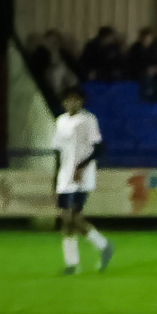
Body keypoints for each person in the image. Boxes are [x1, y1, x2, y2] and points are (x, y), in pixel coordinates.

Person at [51, 87, 114, 275]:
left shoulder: (88, 120)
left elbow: (99, 148)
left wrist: (81, 166)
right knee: (66, 220)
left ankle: (102, 246)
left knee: (73, 216)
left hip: (82, 176)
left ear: (81, 102)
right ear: (64, 102)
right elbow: (58, 151)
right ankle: (74, 263)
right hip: (65, 176)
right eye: (69, 99)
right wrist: (56, 177)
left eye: (76, 99)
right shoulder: (60, 121)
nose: (72, 103)